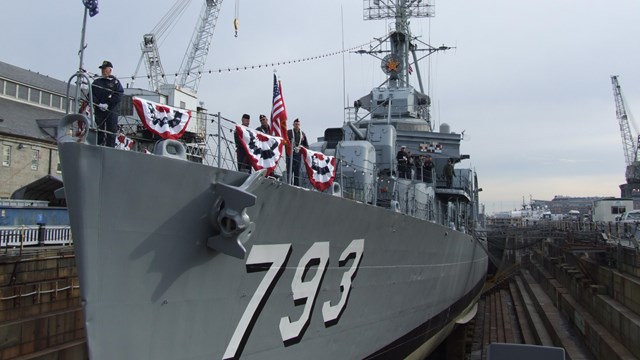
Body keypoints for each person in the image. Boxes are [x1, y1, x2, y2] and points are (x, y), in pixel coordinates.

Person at [92, 60, 124, 147]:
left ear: (110, 70)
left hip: (111, 110)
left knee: (111, 131)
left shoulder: (115, 82)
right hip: (99, 109)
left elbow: (119, 95)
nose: (102, 71)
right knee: (99, 129)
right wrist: (98, 103)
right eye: (102, 69)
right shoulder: (97, 82)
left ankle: (110, 148)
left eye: (104, 69)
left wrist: (108, 104)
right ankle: (99, 145)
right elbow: (91, 95)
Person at [286, 118, 309, 185]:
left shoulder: (302, 134)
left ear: (300, 125)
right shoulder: (289, 132)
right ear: (293, 125)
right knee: (289, 172)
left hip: (298, 156)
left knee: (297, 173)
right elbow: (285, 142)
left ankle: (296, 186)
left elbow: (307, 146)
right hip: (289, 155)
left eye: (298, 124)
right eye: (296, 124)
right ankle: (289, 185)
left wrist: (301, 148)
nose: (297, 125)